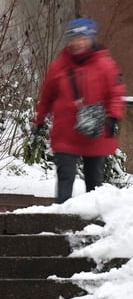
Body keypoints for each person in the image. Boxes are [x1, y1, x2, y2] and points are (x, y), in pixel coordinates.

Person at [33, 17, 126, 204]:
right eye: (74, 39)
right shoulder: (59, 66)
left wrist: (113, 117)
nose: (78, 43)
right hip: (66, 133)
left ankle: (93, 219)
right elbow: (47, 96)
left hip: (95, 133)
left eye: (82, 38)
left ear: (91, 39)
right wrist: (40, 120)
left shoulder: (105, 65)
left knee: (94, 183)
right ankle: (60, 218)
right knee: (65, 180)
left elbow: (115, 93)